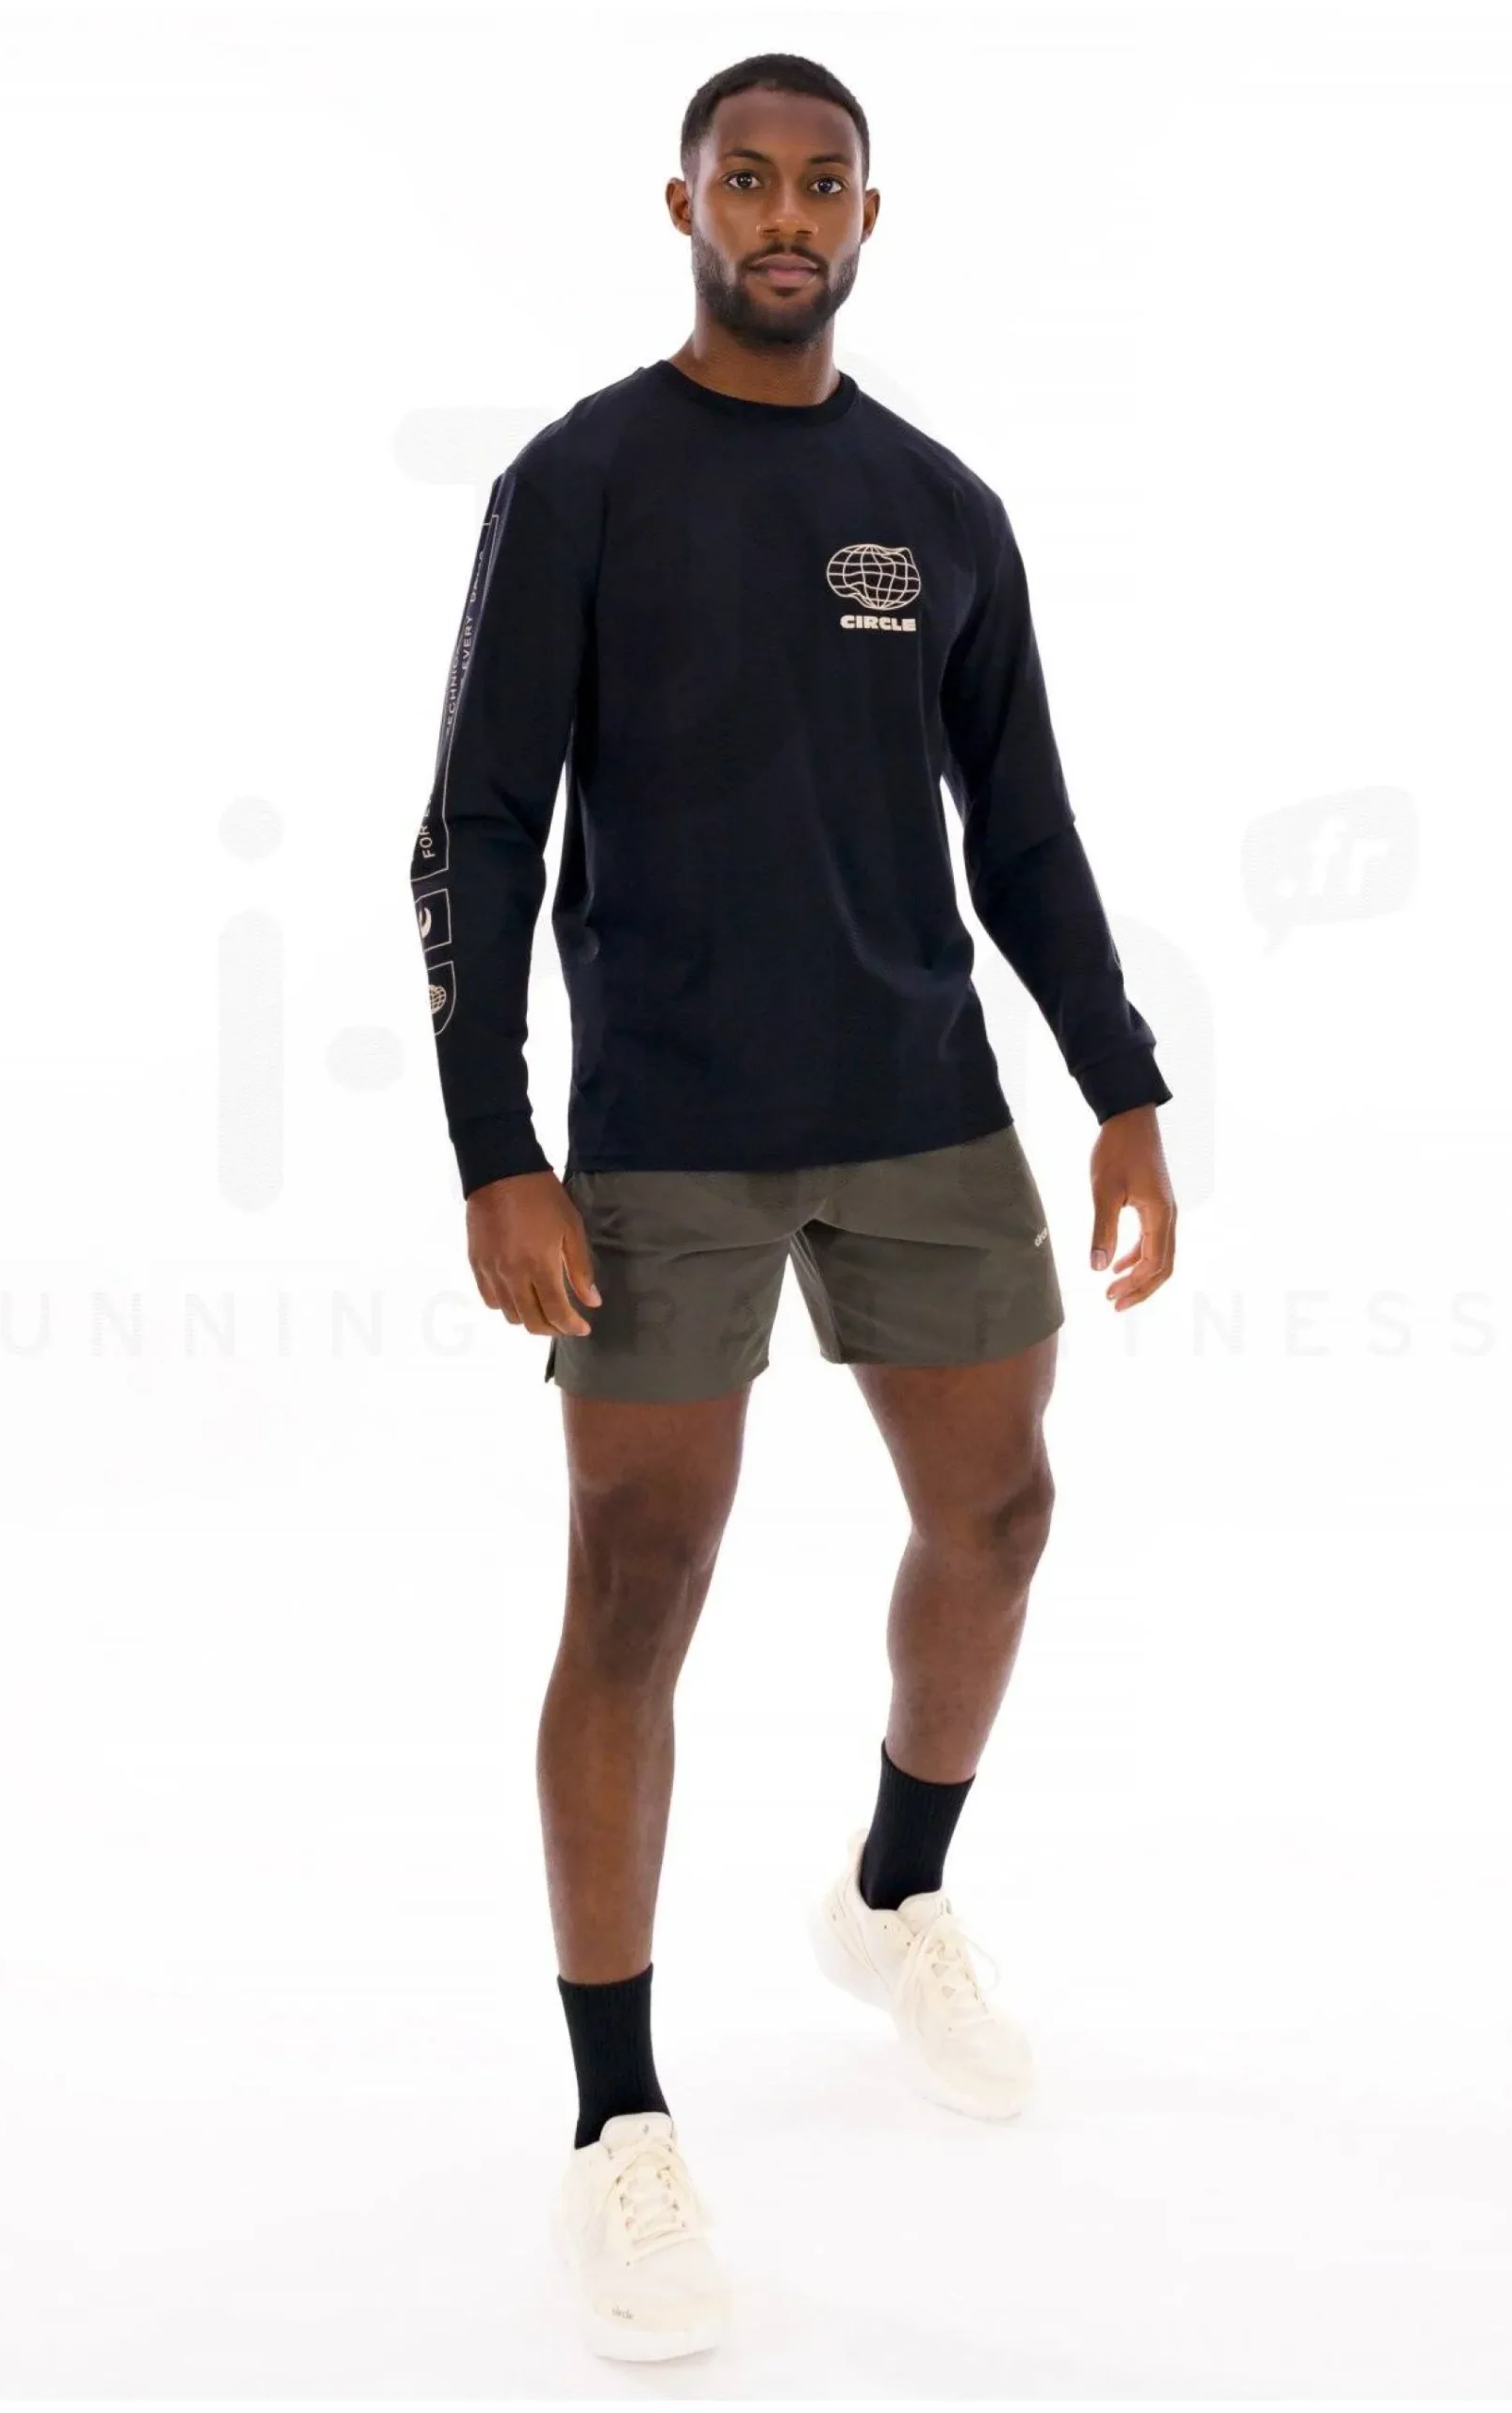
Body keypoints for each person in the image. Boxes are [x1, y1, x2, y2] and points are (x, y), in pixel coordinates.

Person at [408, 50, 1176, 2363]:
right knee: (635, 1588)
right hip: (659, 1129)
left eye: (818, 182)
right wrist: (494, 1144)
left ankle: (889, 1894)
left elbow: (1019, 830)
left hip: (918, 1104)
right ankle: (617, 2117)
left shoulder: (935, 506)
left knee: (1000, 1513)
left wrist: (1120, 1084)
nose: (780, 211)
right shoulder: (580, 481)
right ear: (679, 203)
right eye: (742, 176)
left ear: (866, 216)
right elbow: (475, 830)